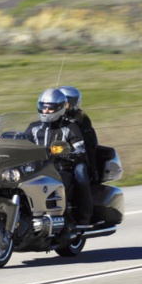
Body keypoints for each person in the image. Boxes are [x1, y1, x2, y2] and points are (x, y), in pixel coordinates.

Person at [25, 88, 93, 225]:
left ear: (59, 108)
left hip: (62, 166)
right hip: (39, 167)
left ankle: (84, 214)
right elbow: (23, 144)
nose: (45, 111)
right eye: (43, 107)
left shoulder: (71, 127)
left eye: (50, 108)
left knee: (80, 172)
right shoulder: (33, 127)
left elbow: (80, 147)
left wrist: (70, 154)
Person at [59, 85, 100, 183]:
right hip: (54, 156)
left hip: (75, 157)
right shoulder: (53, 117)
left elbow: (89, 146)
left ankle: (85, 197)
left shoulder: (81, 119)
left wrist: (93, 170)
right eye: (59, 102)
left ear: (73, 103)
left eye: (65, 103)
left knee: (80, 171)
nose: (62, 106)